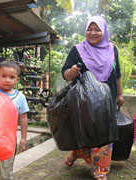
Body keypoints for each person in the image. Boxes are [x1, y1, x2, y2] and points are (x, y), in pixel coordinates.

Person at [61, 16, 124, 180]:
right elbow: (65, 73)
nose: (93, 32)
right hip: (84, 101)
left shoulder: (112, 49)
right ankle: (76, 152)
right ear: (85, 30)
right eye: (90, 29)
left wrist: (120, 94)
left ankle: (100, 169)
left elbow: (116, 74)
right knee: (85, 132)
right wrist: (72, 72)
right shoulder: (77, 49)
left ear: (104, 31)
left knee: (105, 133)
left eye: (97, 29)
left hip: (106, 100)